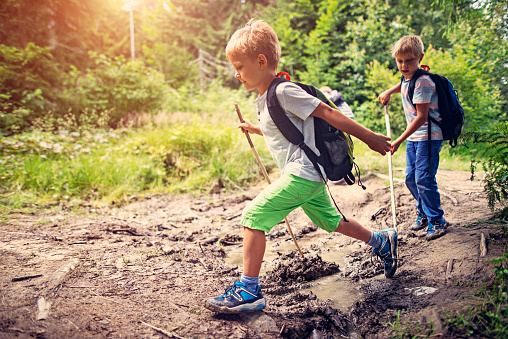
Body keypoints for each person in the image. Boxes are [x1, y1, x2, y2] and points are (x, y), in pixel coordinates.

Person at [204, 19, 398, 314]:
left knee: (254, 215)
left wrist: (369, 137)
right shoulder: (266, 95)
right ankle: (382, 240)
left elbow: (328, 113)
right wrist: (254, 128)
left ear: (260, 61)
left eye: (240, 66)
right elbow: (284, 130)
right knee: (330, 222)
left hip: (303, 173)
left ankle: (248, 289)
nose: (236, 73)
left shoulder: (284, 91)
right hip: (306, 175)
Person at [378, 35, 449, 241]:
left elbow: (421, 117)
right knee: (410, 178)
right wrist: (389, 91)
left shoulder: (423, 82)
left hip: (428, 137)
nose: (403, 65)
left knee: (424, 179)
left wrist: (398, 140)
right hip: (415, 138)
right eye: (399, 61)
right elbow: (403, 84)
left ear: (420, 58)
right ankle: (425, 213)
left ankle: (437, 220)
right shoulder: (408, 78)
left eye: (409, 60)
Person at [320, 86, 355, 185]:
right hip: (350, 122)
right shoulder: (339, 97)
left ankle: (339, 178)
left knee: (335, 152)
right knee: (346, 150)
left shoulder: (325, 96)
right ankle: (346, 174)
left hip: (339, 124)